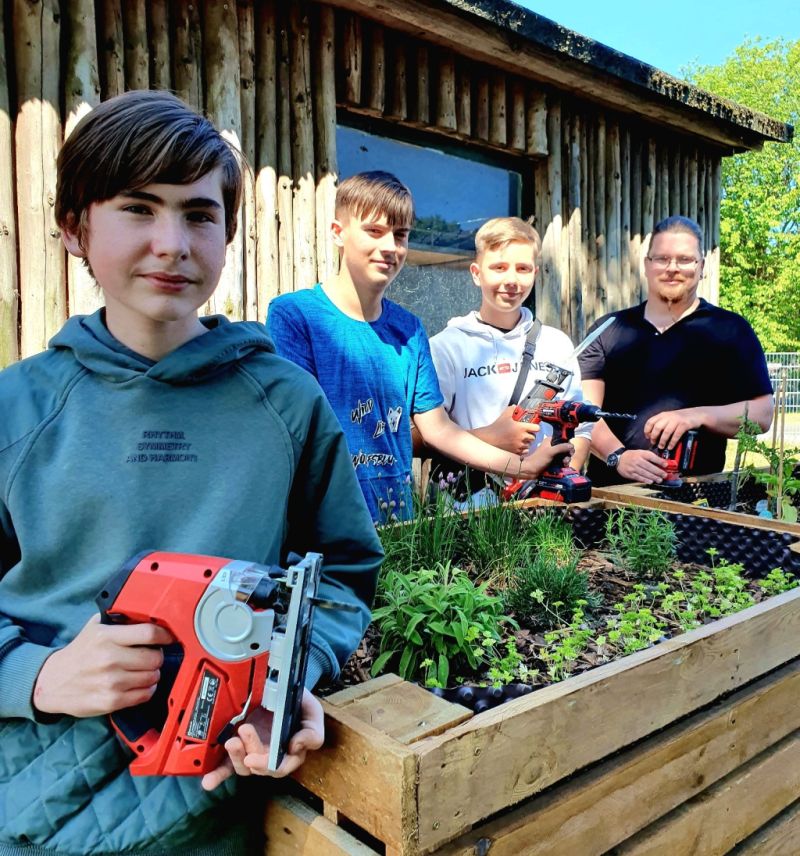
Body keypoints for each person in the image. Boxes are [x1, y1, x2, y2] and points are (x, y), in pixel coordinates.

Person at [0, 90, 383, 855]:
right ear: (75, 227)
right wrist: (34, 676)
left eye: (199, 214)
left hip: (218, 814)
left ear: (228, 232)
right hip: (29, 807)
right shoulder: (15, 409)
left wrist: (286, 677)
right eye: (138, 209)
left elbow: (341, 573)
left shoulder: (286, 403)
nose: (173, 243)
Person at [266, 171, 572, 521]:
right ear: (339, 233)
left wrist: (524, 467)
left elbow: (439, 430)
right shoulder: (295, 316)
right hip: (320, 523)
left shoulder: (409, 329)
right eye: (374, 231)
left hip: (398, 521)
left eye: (400, 235)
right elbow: (295, 431)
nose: (389, 247)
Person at [578, 215, 774, 487]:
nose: (672, 268)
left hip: (698, 496)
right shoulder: (609, 329)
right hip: (612, 500)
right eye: (662, 259)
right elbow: (583, 412)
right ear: (647, 265)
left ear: (701, 266)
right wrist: (618, 456)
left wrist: (697, 415)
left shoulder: (731, 330)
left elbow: (763, 415)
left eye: (685, 259)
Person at [429, 216, 592, 500]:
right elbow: (425, 436)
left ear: (536, 273)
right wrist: (491, 435)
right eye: (499, 268)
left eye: (523, 269)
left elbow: (581, 426)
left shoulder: (556, 344)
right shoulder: (446, 347)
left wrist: (561, 482)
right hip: (469, 510)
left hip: (544, 506)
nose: (512, 280)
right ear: (476, 273)